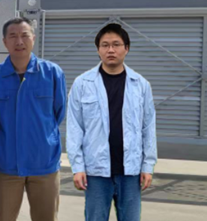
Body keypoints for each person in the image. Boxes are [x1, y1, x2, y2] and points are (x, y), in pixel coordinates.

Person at [67, 23, 157, 221]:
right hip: (96, 172)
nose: (110, 50)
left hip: (131, 171)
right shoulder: (82, 84)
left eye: (116, 44)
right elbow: (75, 128)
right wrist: (77, 167)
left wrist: (147, 166)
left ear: (126, 48)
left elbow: (148, 128)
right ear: (98, 49)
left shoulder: (141, 85)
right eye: (105, 45)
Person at [0, 18, 66, 221]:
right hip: (6, 165)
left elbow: (58, 112)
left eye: (24, 35)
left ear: (33, 38)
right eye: (13, 36)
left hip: (44, 163)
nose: (19, 41)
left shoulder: (52, 73)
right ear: (5, 41)